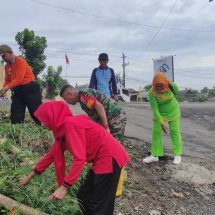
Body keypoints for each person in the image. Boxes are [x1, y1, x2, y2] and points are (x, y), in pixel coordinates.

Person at [20, 101, 130, 215]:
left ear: (52, 117)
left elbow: (79, 158)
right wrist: (29, 177)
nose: (42, 123)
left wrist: (64, 187)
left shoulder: (70, 126)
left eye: (44, 119)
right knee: (84, 196)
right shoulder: (61, 132)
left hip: (109, 157)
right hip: (100, 158)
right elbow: (50, 156)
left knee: (100, 203)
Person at [60, 85, 127, 142]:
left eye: (66, 99)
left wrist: (106, 126)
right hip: (110, 118)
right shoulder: (82, 101)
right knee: (106, 142)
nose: (67, 102)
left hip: (116, 116)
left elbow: (99, 106)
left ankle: (120, 157)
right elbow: (95, 116)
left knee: (115, 144)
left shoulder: (84, 94)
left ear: (70, 94)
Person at [143, 72, 182, 165]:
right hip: (160, 113)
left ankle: (177, 155)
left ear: (165, 83)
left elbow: (176, 92)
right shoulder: (152, 93)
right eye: (157, 86)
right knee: (156, 133)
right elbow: (155, 110)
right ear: (153, 84)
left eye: (161, 85)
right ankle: (155, 155)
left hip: (173, 111)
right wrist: (161, 123)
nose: (159, 88)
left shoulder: (171, 86)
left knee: (174, 132)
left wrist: (170, 84)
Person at [0, 45, 42, 124]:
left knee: (36, 111)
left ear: (10, 53)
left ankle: (43, 127)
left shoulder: (20, 61)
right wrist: (3, 89)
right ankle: (17, 130)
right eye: (1, 57)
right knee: (16, 112)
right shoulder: (7, 67)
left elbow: (19, 79)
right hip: (18, 90)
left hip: (30, 88)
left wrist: (7, 87)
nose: (3, 59)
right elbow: (7, 80)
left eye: (4, 56)